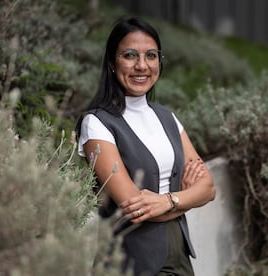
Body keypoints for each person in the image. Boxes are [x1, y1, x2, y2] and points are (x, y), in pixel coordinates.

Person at [76, 17, 216, 276]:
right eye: (130, 55)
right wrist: (186, 198)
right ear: (111, 62)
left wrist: (167, 201)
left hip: (180, 256)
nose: (142, 65)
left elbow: (208, 188)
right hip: (130, 260)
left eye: (151, 55)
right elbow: (134, 206)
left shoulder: (167, 117)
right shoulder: (96, 124)